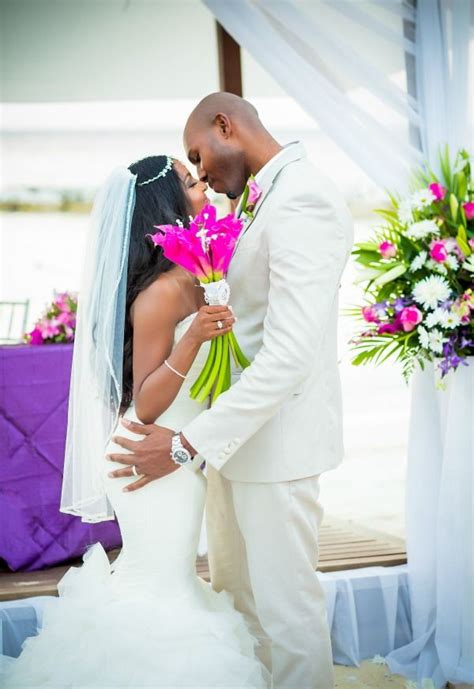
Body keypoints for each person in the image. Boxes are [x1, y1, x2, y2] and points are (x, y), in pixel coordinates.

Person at [109, 93, 355, 689]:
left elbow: (289, 355)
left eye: (199, 153)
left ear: (227, 125)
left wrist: (183, 444)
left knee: (288, 620)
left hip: (275, 451)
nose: (203, 174)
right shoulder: (258, 200)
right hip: (231, 448)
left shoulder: (304, 198)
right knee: (242, 615)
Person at [0, 155, 269, 689]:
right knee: (159, 597)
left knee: (166, 590)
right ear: (165, 204)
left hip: (176, 454)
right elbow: (144, 403)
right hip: (147, 457)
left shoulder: (195, 272)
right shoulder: (163, 291)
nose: (205, 188)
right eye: (192, 183)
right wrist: (194, 338)